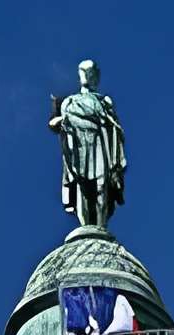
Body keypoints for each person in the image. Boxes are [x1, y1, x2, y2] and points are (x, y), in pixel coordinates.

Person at [50, 61, 126, 230]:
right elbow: (56, 124)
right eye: (83, 71)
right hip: (78, 145)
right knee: (82, 186)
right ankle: (86, 226)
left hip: (99, 143)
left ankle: (100, 226)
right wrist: (62, 121)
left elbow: (114, 128)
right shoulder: (70, 101)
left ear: (95, 76)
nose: (86, 74)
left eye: (90, 71)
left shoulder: (104, 102)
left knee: (101, 185)